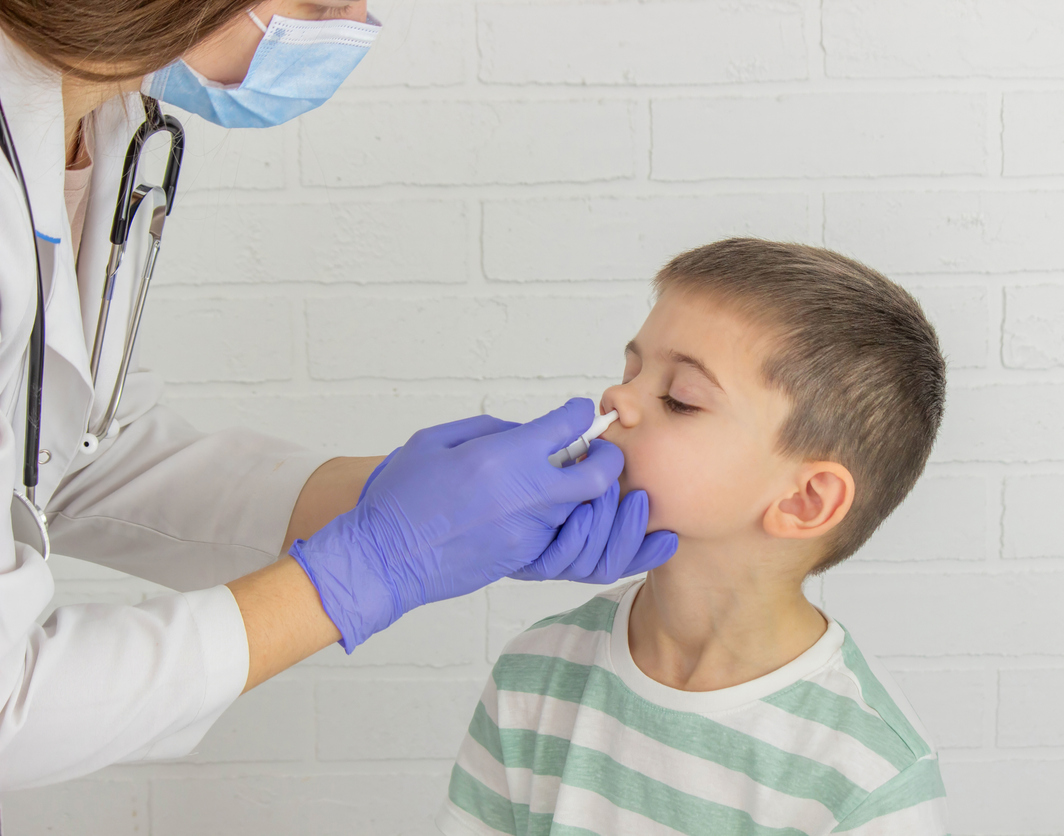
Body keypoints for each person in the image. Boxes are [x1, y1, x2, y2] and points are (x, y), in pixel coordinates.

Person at [0, 0, 676, 793]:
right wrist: (372, 565)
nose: (350, 25)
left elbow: (67, 450)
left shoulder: (99, 128)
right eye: (321, 4)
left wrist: (395, 502)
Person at [437, 239, 950, 835]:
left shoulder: (870, 775)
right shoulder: (537, 671)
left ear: (805, 501)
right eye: (630, 373)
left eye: (679, 399)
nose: (616, 399)